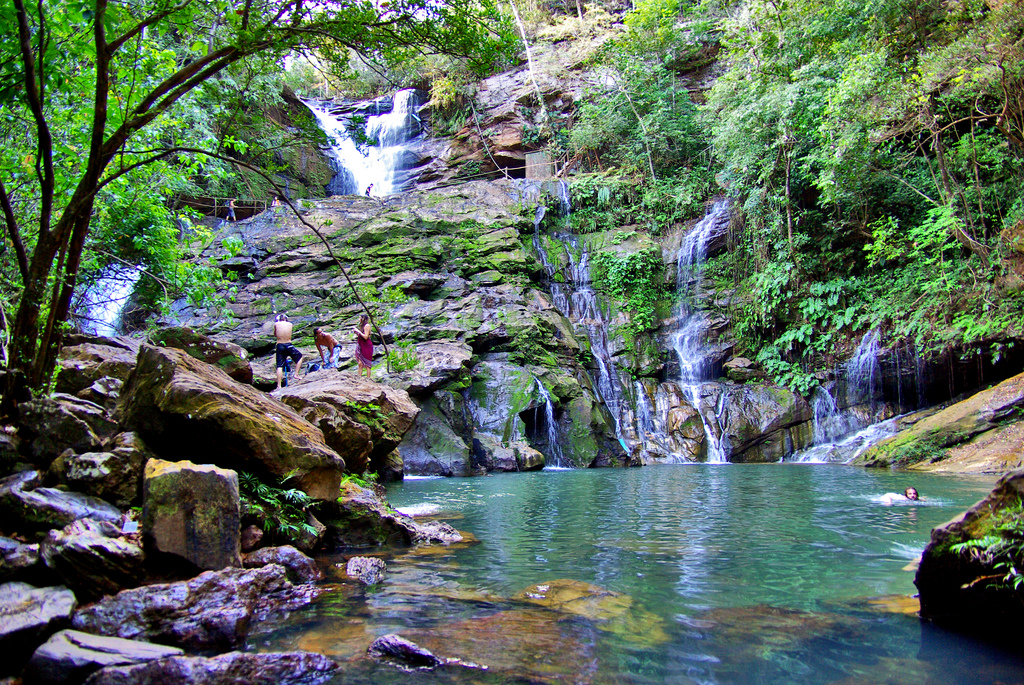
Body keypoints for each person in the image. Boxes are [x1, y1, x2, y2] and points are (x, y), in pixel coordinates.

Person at [273, 313, 303, 389]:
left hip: (280, 345)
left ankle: (279, 385)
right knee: (299, 357)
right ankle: (296, 374)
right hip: (288, 345)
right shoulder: (290, 324)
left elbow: (275, 335)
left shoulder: (276, 324)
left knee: (279, 365)